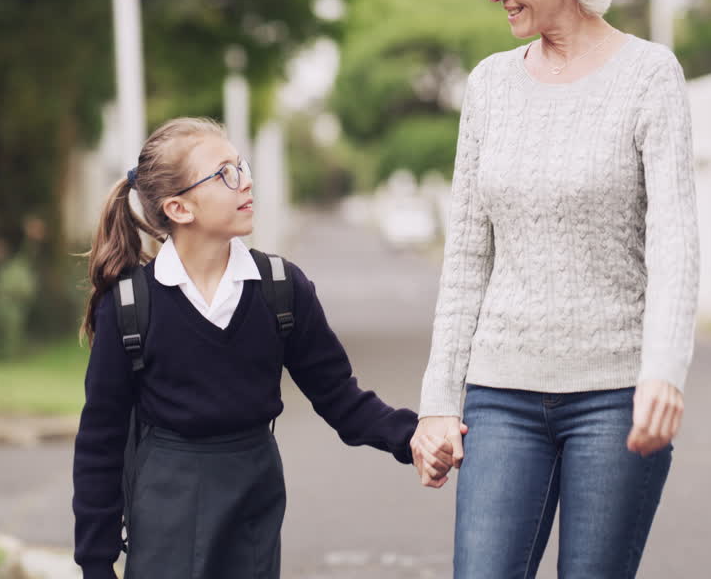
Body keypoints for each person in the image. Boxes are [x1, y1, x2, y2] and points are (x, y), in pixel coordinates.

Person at [410, 0, 701, 578]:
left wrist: (664, 370)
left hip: (614, 395)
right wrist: (437, 404)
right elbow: (468, 257)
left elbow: (675, 241)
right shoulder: (488, 86)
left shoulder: (649, 77)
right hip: (501, 393)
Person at [72, 117, 452, 579]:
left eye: (242, 166)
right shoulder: (131, 305)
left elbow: (340, 397)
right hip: (165, 499)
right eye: (225, 174)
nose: (246, 181)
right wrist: (95, 562)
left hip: (253, 496)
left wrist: (411, 436)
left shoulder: (280, 289)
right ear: (179, 208)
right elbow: (100, 440)